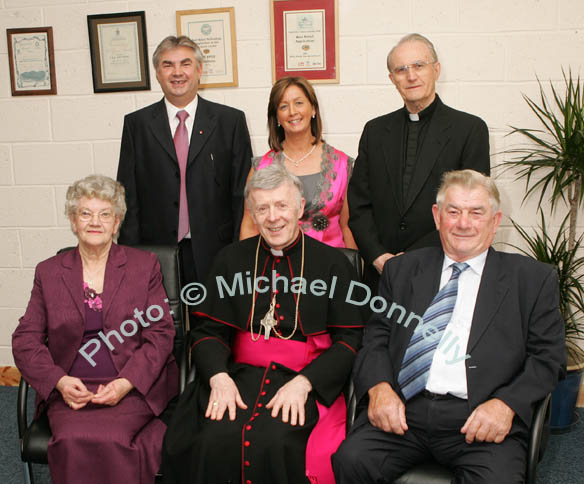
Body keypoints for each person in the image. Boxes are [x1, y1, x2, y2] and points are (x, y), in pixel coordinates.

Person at [333, 170, 565, 483]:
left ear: (495, 221)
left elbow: (548, 358)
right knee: (352, 460)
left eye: (476, 213)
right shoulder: (401, 270)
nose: (463, 223)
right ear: (437, 216)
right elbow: (376, 338)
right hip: (404, 411)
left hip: (479, 417)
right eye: (453, 211)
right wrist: (379, 389)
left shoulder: (532, 280)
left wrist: (506, 404)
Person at [162, 163, 364, 484]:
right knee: (212, 439)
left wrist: (306, 383)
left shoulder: (334, 264)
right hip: (237, 378)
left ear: (300, 207)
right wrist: (218, 377)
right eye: (263, 208)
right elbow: (207, 331)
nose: (273, 217)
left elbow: (349, 340)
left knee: (276, 440)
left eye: (282, 205)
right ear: (252, 215)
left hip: (304, 380)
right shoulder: (230, 260)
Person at [12, 175, 178, 484]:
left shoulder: (144, 266)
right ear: (73, 221)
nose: (95, 222)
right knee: (73, 438)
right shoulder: (48, 272)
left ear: (117, 223)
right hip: (72, 388)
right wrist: (59, 381)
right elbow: (25, 339)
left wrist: (127, 382)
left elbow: (160, 334)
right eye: (85, 213)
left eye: (105, 214)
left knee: (115, 438)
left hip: (130, 384)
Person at [348, 33, 490, 292]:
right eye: (401, 69)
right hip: (381, 276)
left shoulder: (469, 130)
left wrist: (413, 259)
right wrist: (379, 258)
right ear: (392, 79)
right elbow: (359, 206)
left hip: (443, 272)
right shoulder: (375, 131)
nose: (410, 75)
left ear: (436, 70)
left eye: (418, 66)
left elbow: (471, 210)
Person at [117, 35, 253, 286]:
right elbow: (128, 196)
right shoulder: (137, 125)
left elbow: (241, 195)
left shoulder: (229, 122)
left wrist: (241, 251)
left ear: (200, 70)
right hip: (155, 251)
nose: (177, 72)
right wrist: (130, 255)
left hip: (217, 249)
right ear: (157, 73)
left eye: (186, 64)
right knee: (161, 324)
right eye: (167, 65)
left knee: (211, 324)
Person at [239, 76, 356, 249]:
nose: (292, 112)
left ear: (313, 109)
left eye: (299, 103)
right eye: (283, 106)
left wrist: (354, 271)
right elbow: (249, 226)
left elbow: (348, 226)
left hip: (331, 265)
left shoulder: (342, 164)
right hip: (278, 269)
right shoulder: (261, 167)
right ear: (277, 117)